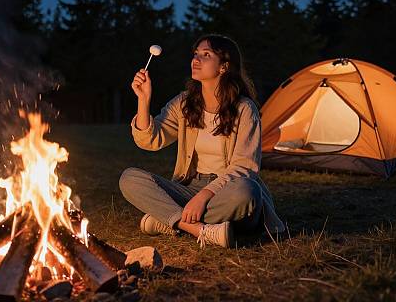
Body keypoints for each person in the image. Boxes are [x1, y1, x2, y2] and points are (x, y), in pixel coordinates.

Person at [119, 34, 285, 248]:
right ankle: (197, 229)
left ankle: (168, 219)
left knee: (247, 191)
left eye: (206, 55)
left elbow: (245, 167)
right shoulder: (184, 103)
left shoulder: (245, 109)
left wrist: (204, 196)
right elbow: (150, 140)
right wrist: (143, 100)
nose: (196, 59)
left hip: (227, 191)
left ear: (224, 66)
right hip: (189, 187)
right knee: (129, 178)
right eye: (195, 54)